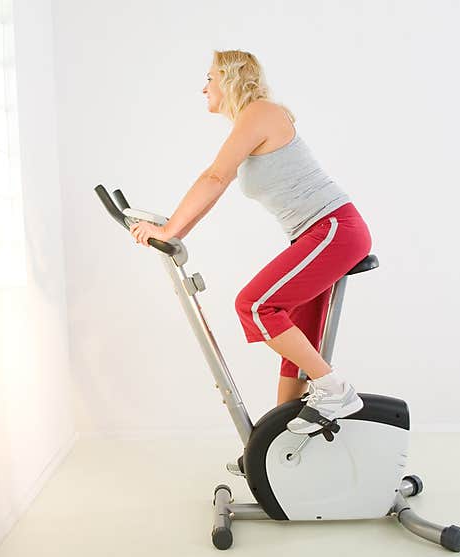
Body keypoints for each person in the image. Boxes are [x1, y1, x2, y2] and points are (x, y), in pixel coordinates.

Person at [130, 49, 372, 435]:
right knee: (298, 344)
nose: (204, 86)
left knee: (255, 304)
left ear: (229, 79)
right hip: (315, 235)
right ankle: (280, 446)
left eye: (209, 77)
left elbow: (215, 177)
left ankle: (335, 390)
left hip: (332, 228)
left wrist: (169, 230)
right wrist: (176, 232)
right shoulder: (250, 121)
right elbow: (216, 185)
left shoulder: (260, 112)